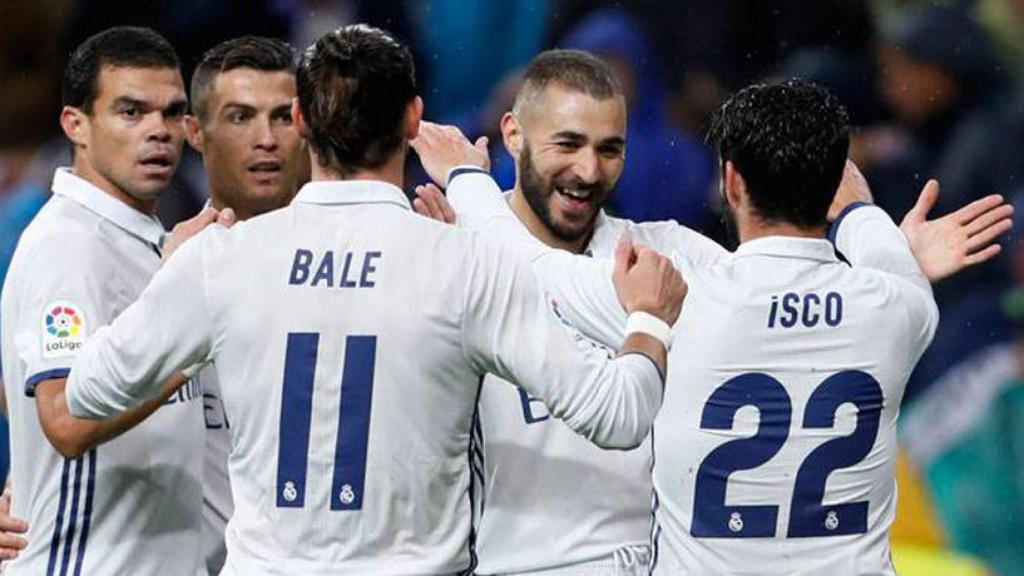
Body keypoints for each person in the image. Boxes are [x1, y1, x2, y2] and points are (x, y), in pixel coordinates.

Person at [61, 24, 683, 574]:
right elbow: (619, 415)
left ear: (300, 119)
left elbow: (87, 390)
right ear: (413, 119)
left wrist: (169, 279)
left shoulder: (221, 259)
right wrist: (649, 320)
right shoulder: (464, 263)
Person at [409, 50, 1012, 575]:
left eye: (610, 148)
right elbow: (797, 295)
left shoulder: (681, 273)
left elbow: (531, 272)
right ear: (514, 133)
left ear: (731, 181)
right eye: (568, 143)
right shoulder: (896, 305)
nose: (589, 169)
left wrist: (466, 183)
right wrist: (886, 249)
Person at [0, 26, 226, 575]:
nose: (158, 131)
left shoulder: (143, 239)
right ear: (75, 124)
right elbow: (66, 419)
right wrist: (183, 340)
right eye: (131, 112)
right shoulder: (71, 245)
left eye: (172, 112)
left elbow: (21, 387)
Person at [184, 34, 309, 574]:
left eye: (283, 117)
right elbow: (45, 398)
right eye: (240, 117)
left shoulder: (368, 268)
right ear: (195, 131)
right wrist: (29, 492)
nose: (266, 140)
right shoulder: (162, 266)